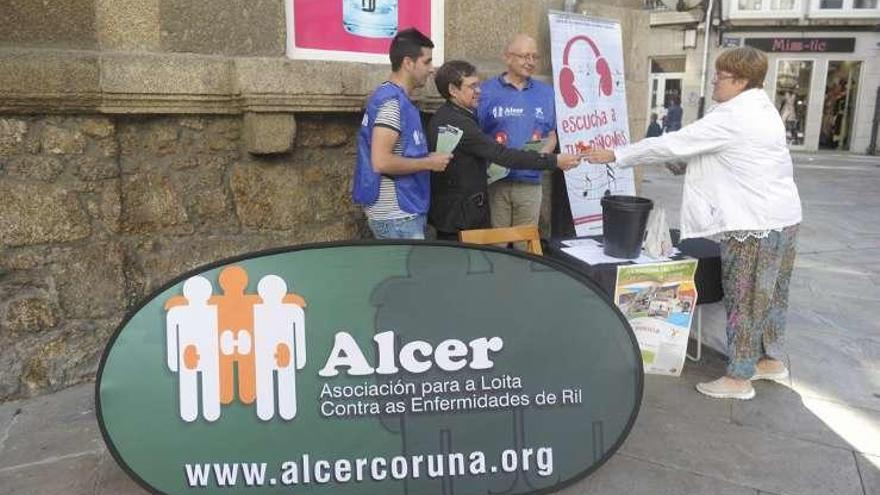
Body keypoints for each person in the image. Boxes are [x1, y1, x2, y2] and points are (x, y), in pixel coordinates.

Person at [585, 46, 802, 401]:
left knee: (744, 298)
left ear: (742, 81)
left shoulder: (733, 115)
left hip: (753, 224)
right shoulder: (762, 108)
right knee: (771, 296)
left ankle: (738, 377)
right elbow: (715, 154)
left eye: (722, 75)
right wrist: (677, 162)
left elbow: (676, 143)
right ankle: (768, 361)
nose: (714, 80)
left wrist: (616, 154)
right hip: (782, 219)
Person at [427, 61, 582, 240]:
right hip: (460, 220)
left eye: (478, 85)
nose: (478, 91)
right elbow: (502, 155)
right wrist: (555, 161)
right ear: (453, 90)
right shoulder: (459, 123)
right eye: (472, 86)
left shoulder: (450, 115)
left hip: (453, 215)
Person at [351, 28, 452, 239]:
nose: (432, 69)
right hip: (398, 216)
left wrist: (426, 158)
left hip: (398, 213)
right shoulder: (392, 103)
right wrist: (428, 163)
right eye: (427, 62)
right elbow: (381, 162)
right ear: (408, 63)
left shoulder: (392, 98)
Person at [477, 34, 558, 240]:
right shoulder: (485, 91)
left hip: (530, 182)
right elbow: (476, 136)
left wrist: (539, 157)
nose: (530, 62)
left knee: (526, 245)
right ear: (507, 57)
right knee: (497, 245)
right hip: (495, 182)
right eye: (524, 56)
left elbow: (552, 135)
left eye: (534, 57)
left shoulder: (547, 94)